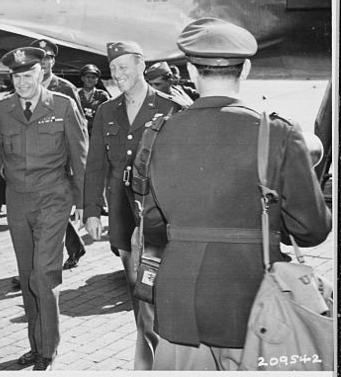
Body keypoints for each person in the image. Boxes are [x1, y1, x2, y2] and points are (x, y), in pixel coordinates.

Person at [139, 18, 332, 370]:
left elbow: (151, 222)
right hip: (252, 305)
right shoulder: (277, 132)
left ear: (190, 70)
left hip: (180, 304)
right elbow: (312, 230)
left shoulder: (157, 133)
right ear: (245, 68)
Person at [0, 47, 88, 371]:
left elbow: (80, 159)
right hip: (18, 201)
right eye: (16, 77)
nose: (23, 82)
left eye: (28, 75)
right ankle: (36, 345)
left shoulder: (63, 106)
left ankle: (48, 350)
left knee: (43, 273)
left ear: (41, 73)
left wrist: (83, 203)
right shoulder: (1, 110)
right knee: (27, 277)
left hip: (53, 198)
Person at [83, 41, 183, 370]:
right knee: (138, 293)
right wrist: (92, 211)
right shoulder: (106, 111)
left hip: (161, 215)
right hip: (125, 217)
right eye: (113, 70)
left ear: (142, 66)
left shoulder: (170, 107)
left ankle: (163, 361)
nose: (118, 75)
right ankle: (149, 361)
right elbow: (95, 164)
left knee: (163, 291)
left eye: (125, 67)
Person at [29, 39, 87, 271]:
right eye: (39, 58)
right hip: (32, 161)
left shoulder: (65, 88)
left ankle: (39, 268)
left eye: (48, 58)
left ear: (53, 60)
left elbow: (80, 127)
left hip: (59, 161)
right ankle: (73, 247)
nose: (44, 62)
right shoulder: (24, 85)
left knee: (50, 210)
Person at [77, 64, 110, 134]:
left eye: (93, 77)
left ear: (97, 80)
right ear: (82, 78)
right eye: (88, 77)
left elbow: (108, 116)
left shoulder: (102, 96)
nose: (90, 80)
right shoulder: (76, 94)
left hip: (96, 134)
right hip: (79, 133)